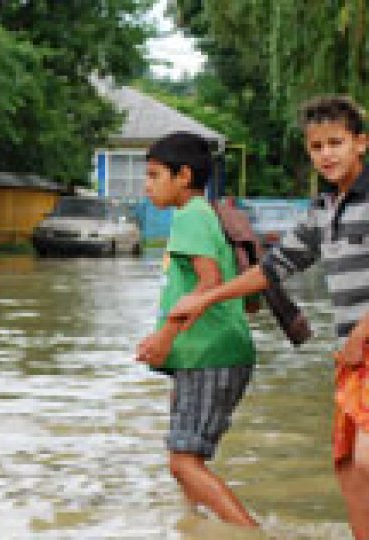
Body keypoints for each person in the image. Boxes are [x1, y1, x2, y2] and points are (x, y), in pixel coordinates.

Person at [169, 95, 369, 540]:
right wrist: (208, 298)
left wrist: (362, 330)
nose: (327, 155)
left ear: (361, 143)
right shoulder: (323, 210)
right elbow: (272, 268)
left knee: (366, 460)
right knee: (347, 466)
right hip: (353, 357)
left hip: (364, 343)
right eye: (316, 147)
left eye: (336, 143)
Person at [135, 131, 259, 527]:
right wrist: (163, 339)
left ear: (183, 176)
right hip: (206, 356)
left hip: (212, 355)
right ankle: (200, 530)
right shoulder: (199, 215)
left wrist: (165, 337)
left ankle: (253, 534)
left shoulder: (191, 215)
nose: (147, 185)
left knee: (183, 462)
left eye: (155, 175)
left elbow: (208, 283)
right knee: (187, 461)